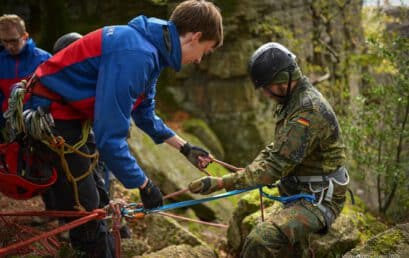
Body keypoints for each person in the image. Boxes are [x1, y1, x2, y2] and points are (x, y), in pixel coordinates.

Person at [12, 0, 223, 257]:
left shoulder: (151, 51)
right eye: (205, 50)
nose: (200, 59)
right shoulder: (137, 55)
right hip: (51, 116)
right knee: (89, 214)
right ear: (195, 36)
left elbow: (145, 113)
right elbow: (110, 138)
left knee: (97, 203)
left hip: (68, 114)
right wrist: (144, 185)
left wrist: (184, 147)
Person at [188, 42, 349, 257]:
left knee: (260, 239)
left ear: (283, 79)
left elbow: (273, 169)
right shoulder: (294, 102)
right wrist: (248, 170)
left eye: (267, 86)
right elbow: (275, 149)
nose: (265, 93)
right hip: (300, 193)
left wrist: (220, 182)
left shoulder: (307, 111)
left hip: (319, 201)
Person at [0, 14, 51, 138]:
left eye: (14, 40)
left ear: (25, 36)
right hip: (6, 130)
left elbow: (52, 94)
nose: (9, 46)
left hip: (39, 129)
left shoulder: (44, 60)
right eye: (4, 41)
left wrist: (35, 120)